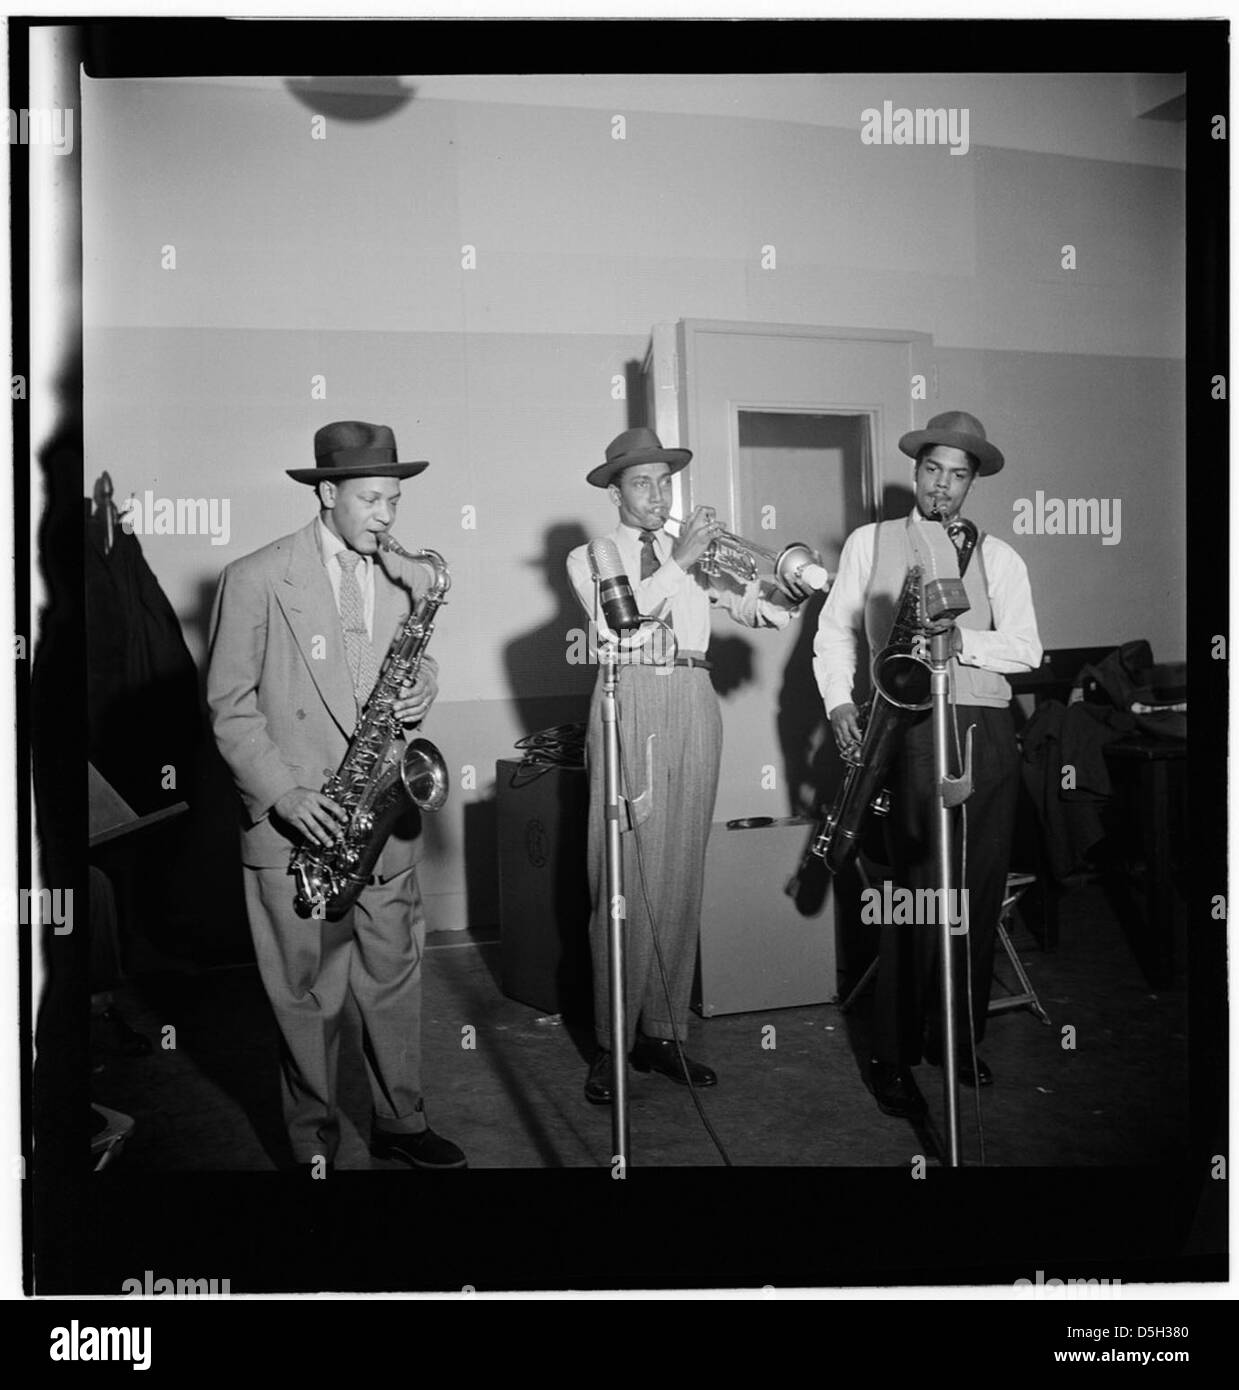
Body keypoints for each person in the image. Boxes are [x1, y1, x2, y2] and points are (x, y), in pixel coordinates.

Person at [207, 420, 466, 1171]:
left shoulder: (401, 574)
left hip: (383, 811)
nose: (387, 518)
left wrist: (425, 687)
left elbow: (397, 678)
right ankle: (310, 1143)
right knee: (304, 997)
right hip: (299, 821)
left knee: (393, 979)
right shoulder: (256, 576)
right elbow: (228, 704)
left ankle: (402, 1122)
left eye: (393, 500)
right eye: (372, 500)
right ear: (327, 494)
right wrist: (283, 796)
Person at [566, 426, 806, 1105]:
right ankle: (611, 1044)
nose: (656, 494)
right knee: (619, 872)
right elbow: (616, 623)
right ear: (614, 492)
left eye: (663, 482)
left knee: (678, 868)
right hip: (627, 692)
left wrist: (790, 588)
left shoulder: (692, 555)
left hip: (694, 696)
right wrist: (684, 560)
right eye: (641, 483)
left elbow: (757, 612)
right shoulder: (591, 556)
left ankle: (663, 1032)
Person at [813, 411, 1042, 1120]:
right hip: (907, 733)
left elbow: (1028, 649)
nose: (943, 485)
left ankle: (956, 1037)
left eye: (958, 474)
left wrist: (960, 643)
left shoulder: (999, 557)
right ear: (915, 474)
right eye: (932, 470)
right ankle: (891, 1053)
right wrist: (837, 706)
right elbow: (831, 629)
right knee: (915, 899)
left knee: (973, 897)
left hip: (983, 737)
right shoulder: (869, 542)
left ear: (972, 483)